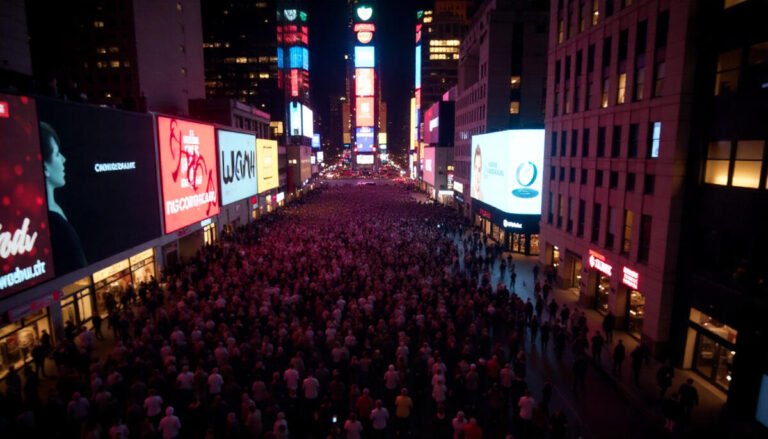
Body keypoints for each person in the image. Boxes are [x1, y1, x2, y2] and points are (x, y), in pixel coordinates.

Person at [40, 121, 87, 273]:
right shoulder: (52, 223)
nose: (63, 159)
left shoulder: (59, 209)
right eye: (57, 154)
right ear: (44, 166)